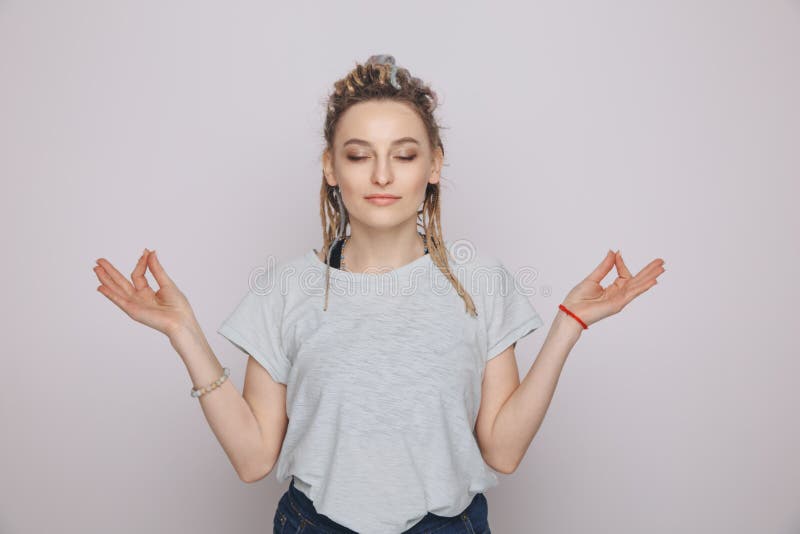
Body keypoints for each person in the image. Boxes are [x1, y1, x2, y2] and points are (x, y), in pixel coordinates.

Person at [92, 54, 666, 534]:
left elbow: (503, 451)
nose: (383, 176)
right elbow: (253, 458)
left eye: (406, 154)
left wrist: (568, 323)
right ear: (331, 168)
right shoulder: (286, 289)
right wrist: (183, 331)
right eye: (359, 155)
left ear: (434, 166)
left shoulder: (481, 283)